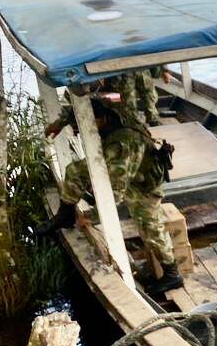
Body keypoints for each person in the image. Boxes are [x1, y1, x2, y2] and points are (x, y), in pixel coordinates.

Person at [40, 79, 181, 295]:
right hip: (121, 167)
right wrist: (60, 123)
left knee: (149, 226)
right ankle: (65, 213)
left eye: (89, 124)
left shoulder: (122, 144)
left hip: (143, 183)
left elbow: (114, 193)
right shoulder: (110, 112)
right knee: (75, 170)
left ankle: (172, 274)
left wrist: (92, 216)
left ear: (103, 120)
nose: (82, 129)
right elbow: (84, 107)